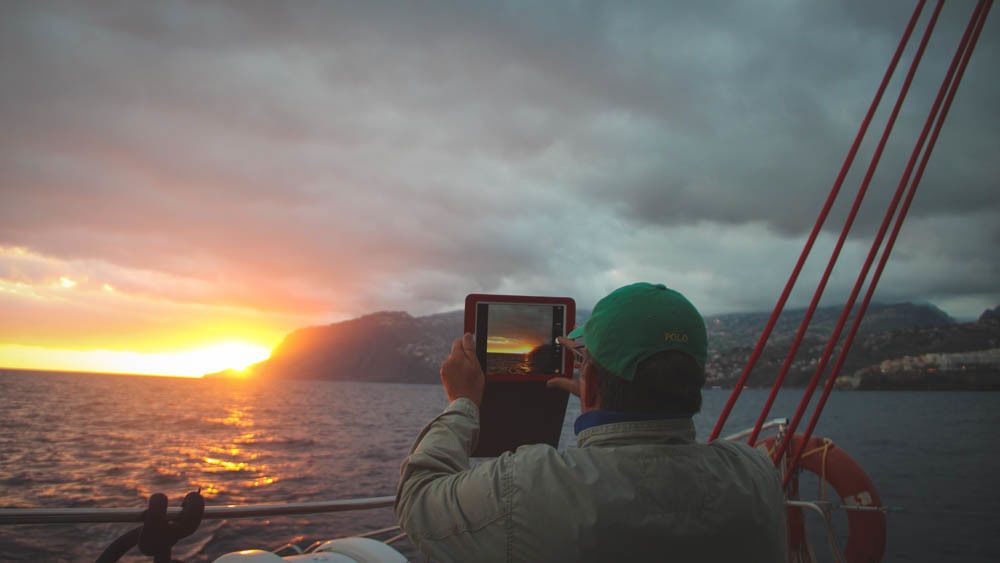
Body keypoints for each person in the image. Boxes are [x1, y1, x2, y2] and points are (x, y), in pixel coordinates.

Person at [395, 282, 787, 562]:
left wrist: (463, 403)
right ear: (697, 378)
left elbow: (417, 500)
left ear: (592, 380)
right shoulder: (756, 475)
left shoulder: (529, 486)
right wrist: (605, 401)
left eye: (584, 364)